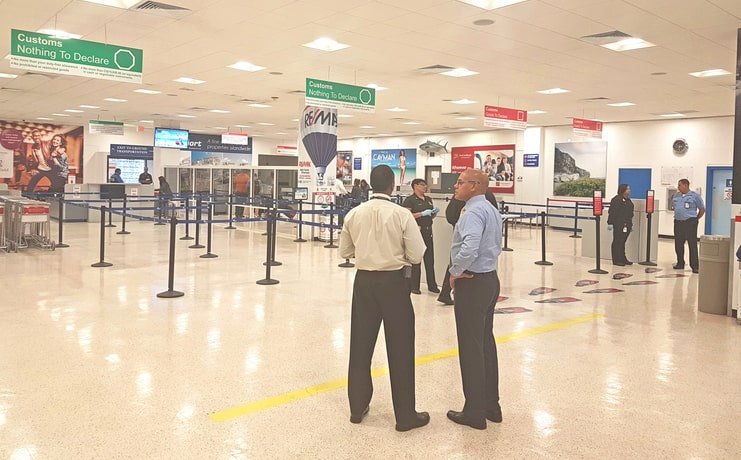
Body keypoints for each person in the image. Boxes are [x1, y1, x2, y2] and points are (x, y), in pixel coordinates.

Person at [339, 164, 429, 432]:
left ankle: (357, 408)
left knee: (360, 346)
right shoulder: (402, 215)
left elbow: (345, 251)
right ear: (392, 186)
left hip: (364, 284)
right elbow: (416, 255)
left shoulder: (354, 214)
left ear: (370, 185)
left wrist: (368, 252)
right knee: (400, 347)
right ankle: (405, 416)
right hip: (394, 284)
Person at [447, 169, 503, 430]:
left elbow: (470, 246)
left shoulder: (472, 212)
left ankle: (474, 412)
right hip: (490, 279)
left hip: (473, 282)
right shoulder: (491, 209)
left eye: (460, 183)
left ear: (475, 185)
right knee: (485, 344)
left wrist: (455, 271)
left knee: (470, 348)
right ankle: (491, 405)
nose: (455, 186)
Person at [438, 190, 498, 305]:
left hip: (463, 236)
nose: (456, 186)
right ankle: (446, 291)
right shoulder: (485, 201)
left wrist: (459, 225)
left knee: (457, 260)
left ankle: (446, 292)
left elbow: (450, 215)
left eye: (460, 183)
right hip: (481, 270)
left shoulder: (462, 197)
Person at [402, 179, 439, 294]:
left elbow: (430, 217)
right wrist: (421, 214)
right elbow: (407, 216)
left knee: (429, 259)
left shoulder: (428, 199)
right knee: (416, 260)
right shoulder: (410, 200)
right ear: (415, 186)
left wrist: (433, 214)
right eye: (422, 185)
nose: (425, 187)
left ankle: (432, 285)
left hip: (428, 231)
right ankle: (414, 286)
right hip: (416, 232)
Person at [672, 179, 705, 274]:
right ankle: (680, 263)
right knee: (678, 244)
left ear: (686, 185)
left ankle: (695, 266)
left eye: (680, 185)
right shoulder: (676, 195)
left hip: (690, 223)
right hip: (678, 223)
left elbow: (702, 209)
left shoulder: (695, 196)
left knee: (692, 244)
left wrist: (695, 219)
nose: (678, 187)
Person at [607, 184, 634, 266]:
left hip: (627, 224)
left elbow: (629, 213)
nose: (629, 190)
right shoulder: (616, 200)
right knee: (617, 242)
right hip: (619, 224)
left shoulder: (628, 200)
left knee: (623, 242)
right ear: (623, 190)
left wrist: (630, 224)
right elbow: (612, 212)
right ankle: (616, 259)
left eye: (629, 189)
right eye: (627, 189)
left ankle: (622, 258)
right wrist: (610, 223)